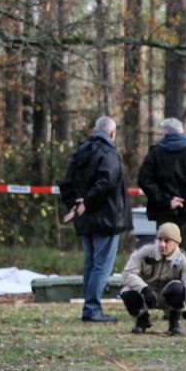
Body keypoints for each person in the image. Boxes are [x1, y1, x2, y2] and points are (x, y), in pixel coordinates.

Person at [59, 116, 131, 323]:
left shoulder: (81, 151)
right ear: (112, 133)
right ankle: (92, 308)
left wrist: (75, 204)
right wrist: (87, 202)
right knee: (101, 265)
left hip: (85, 219)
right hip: (106, 218)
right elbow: (107, 181)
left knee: (90, 264)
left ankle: (90, 306)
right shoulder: (108, 153)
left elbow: (66, 182)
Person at [137, 117, 186, 262]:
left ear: (164, 133)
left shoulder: (155, 154)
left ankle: (168, 284)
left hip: (164, 212)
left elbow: (144, 180)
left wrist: (166, 200)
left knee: (165, 254)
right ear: (182, 130)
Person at [120, 222, 186, 337]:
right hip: (146, 294)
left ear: (176, 243)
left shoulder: (185, 262)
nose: (162, 244)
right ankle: (142, 319)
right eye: (160, 239)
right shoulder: (144, 251)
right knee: (126, 292)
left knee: (178, 288)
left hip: (167, 294)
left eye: (167, 241)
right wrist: (144, 289)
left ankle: (174, 322)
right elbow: (127, 274)